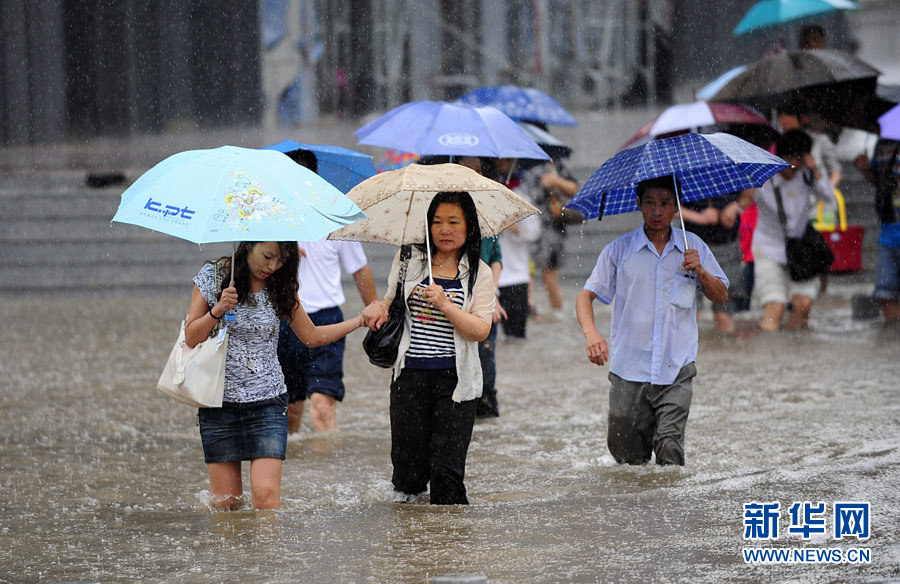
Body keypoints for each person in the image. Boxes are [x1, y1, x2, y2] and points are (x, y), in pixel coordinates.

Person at [187, 241, 374, 510]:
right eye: (267, 256)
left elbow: (311, 336)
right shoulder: (215, 276)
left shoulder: (280, 284)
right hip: (219, 404)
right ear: (248, 246)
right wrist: (217, 311)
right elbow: (191, 337)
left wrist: (359, 321)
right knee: (226, 506)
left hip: (268, 405)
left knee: (266, 499)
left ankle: (270, 554)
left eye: (282, 259)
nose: (272, 266)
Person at [575, 175, 728, 466]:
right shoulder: (618, 251)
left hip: (677, 367)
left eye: (665, 203)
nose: (657, 211)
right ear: (638, 204)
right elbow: (585, 296)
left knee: (670, 450)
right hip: (628, 370)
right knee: (628, 463)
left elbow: (721, 296)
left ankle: (671, 510)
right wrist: (591, 334)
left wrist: (702, 273)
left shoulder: (692, 247)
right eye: (650, 203)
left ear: (676, 208)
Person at [362, 191, 495, 504]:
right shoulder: (408, 259)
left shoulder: (480, 272)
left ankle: (449, 548)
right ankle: (415, 547)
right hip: (409, 380)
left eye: (453, 222)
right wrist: (376, 309)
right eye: (436, 222)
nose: (444, 230)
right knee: (408, 479)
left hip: (456, 384)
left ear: (469, 226)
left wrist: (447, 306)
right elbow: (390, 302)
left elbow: (481, 329)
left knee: (447, 480)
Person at [276, 147, 378, 433]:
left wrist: (375, 314)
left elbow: (360, 269)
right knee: (290, 413)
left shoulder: (336, 219)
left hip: (327, 321)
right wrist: (281, 250)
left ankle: (327, 474)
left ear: (316, 179)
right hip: (286, 321)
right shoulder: (273, 222)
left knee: (322, 407)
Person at [739, 129, 837, 331]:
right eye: (789, 158)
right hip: (768, 250)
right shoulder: (762, 177)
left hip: (801, 251)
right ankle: (771, 357)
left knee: (803, 305)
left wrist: (816, 171)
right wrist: (743, 196)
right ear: (779, 157)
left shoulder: (808, 176)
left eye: (799, 159)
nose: (793, 165)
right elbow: (743, 202)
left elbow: (829, 199)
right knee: (776, 306)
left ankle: (794, 354)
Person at [517, 136, 579, 319]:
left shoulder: (557, 163)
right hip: (526, 222)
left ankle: (556, 311)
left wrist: (555, 181)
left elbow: (575, 188)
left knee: (548, 271)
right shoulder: (522, 163)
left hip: (550, 227)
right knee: (527, 270)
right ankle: (532, 308)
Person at [853, 138, 900, 322]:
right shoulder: (883, 145)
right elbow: (878, 180)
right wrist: (865, 169)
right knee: (885, 292)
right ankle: (891, 336)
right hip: (888, 232)